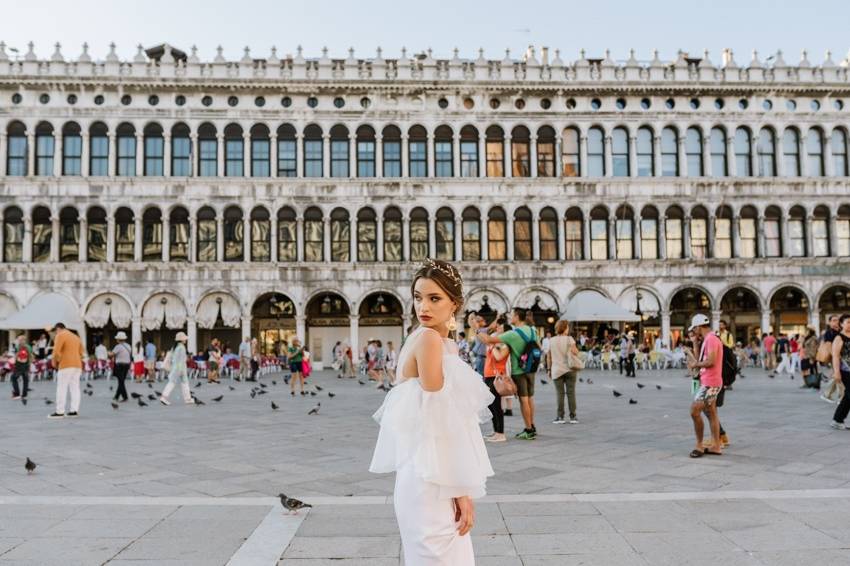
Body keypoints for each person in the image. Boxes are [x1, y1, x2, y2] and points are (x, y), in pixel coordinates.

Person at [370, 258, 493, 564]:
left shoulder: (434, 339)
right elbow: (437, 423)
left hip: (427, 472)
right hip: (431, 478)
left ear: (455, 304)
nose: (422, 306)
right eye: (418, 297)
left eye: (433, 298)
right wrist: (460, 490)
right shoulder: (427, 339)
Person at [480, 307, 539, 440]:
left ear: (517, 317)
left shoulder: (513, 334)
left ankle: (528, 429)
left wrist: (478, 330)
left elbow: (489, 340)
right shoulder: (532, 330)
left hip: (519, 370)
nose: (510, 317)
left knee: (523, 400)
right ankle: (532, 425)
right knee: (530, 398)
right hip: (532, 368)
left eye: (512, 315)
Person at [687, 314, 723, 457]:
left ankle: (699, 445)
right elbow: (701, 358)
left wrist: (696, 364)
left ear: (698, 326)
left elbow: (711, 361)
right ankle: (716, 446)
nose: (693, 331)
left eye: (694, 329)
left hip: (711, 383)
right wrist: (695, 343)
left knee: (694, 411)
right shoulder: (707, 339)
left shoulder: (712, 339)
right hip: (708, 381)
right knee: (712, 413)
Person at [48, 323, 84, 419]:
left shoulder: (61, 335)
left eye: (55, 331)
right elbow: (81, 352)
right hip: (77, 365)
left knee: (61, 388)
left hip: (66, 365)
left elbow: (56, 350)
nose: (55, 333)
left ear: (58, 329)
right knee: (75, 388)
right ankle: (74, 411)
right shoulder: (76, 337)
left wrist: (54, 362)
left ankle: (60, 412)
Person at [549, 320, 580, 424]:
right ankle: (573, 417)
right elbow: (576, 352)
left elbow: (548, 356)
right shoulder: (569, 339)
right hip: (570, 369)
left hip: (556, 370)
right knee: (571, 393)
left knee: (560, 394)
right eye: (567, 327)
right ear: (565, 328)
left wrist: (549, 369)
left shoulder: (551, 340)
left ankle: (560, 417)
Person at [159, 332, 194, 405]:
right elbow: (181, 360)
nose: (186, 340)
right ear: (182, 340)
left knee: (172, 382)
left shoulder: (174, 347)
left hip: (175, 367)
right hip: (180, 368)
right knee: (184, 383)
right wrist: (180, 369)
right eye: (185, 339)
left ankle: (164, 397)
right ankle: (187, 398)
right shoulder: (182, 347)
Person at [829, 314, 850, 429]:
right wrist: (836, 372)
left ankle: (837, 420)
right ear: (841, 324)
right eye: (848, 322)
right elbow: (835, 356)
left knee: (848, 396)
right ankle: (837, 419)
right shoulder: (839, 338)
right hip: (846, 371)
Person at [821, 315, 844, 403]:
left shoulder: (839, 331)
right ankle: (841, 397)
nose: (836, 322)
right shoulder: (829, 333)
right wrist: (835, 357)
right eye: (834, 320)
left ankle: (827, 394)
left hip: (842, 357)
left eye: (837, 320)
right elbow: (828, 346)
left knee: (837, 377)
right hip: (836, 358)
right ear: (829, 322)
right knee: (839, 377)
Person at [110, 331, 132, 403]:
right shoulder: (128, 346)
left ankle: (125, 397)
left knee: (121, 382)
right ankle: (116, 396)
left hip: (120, 366)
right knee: (121, 381)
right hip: (127, 365)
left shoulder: (118, 346)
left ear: (119, 339)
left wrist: (108, 353)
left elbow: (111, 355)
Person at [10, 334, 32, 401]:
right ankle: (24, 394)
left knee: (13, 378)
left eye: (19, 340)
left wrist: (15, 360)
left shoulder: (22, 347)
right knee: (25, 380)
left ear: (22, 340)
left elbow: (22, 358)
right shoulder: (28, 347)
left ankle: (17, 394)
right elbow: (30, 357)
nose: (18, 341)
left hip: (20, 366)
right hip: (26, 365)